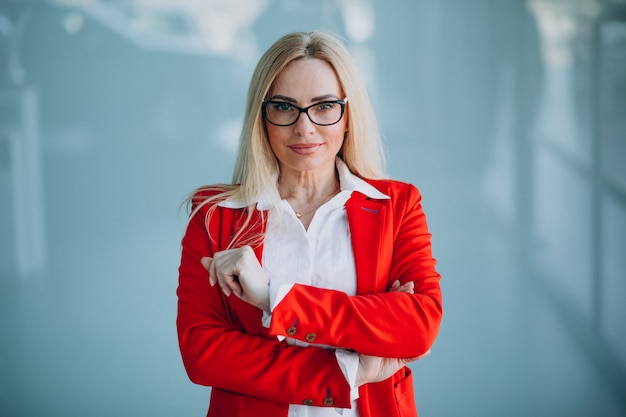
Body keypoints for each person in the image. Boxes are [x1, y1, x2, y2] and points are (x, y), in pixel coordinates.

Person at [177, 31, 442, 417]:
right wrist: (349, 369)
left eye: (324, 106)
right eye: (284, 107)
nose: (304, 128)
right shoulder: (215, 216)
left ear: (348, 115)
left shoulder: (397, 206)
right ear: (261, 117)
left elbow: (418, 327)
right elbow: (204, 353)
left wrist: (274, 297)